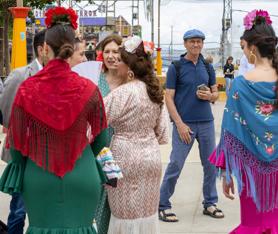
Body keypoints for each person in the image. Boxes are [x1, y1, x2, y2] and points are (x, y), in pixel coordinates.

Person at [0, 7, 107, 233]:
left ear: (45, 48)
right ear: (73, 48)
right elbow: (101, 139)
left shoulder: (27, 89)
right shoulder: (89, 88)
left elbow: (16, 142)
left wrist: (20, 166)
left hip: (39, 176)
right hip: (83, 175)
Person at [209, 9, 278, 233]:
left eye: (244, 47)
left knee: (253, 225)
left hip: (250, 172)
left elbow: (230, 132)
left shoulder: (240, 85)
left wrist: (228, 174)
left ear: (252, 50)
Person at [104, 36, 169, 233]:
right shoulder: (155, 92)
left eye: (121, 60)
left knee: (124, 217)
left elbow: (94, 122)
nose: (117, 62)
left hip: (124, 158)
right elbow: (163, 133)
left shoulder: (122, 93)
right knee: (146, 216)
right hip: (151, 158)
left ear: (130, 69)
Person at [159, 29, 223, 222]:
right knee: (176, 164)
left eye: (199, 42)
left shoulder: (207, 67)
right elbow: (168, 97)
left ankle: (210, 203)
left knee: (210, 165)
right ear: (185, 44)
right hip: (184, 125)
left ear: (203, 44)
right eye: (192, 41)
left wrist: (211, 96)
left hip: (206, 123)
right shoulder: (176, 67)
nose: (196, 45)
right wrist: (179, 124)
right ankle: (163, 205)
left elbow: (216, 94)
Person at [0, 29, 46, 234]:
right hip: (23, 153)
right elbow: (6, 110)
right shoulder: (20, 75)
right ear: (42, 49)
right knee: (19, 209)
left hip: (48, 155)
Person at [95, 33, 122, 234]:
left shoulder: (130, 82)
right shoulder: (95, 80)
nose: (111, 56)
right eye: (107, 51)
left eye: (116, 51)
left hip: (124, 149)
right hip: (100, 149)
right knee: (100, 203)